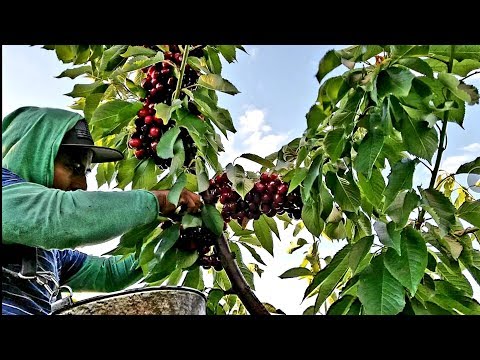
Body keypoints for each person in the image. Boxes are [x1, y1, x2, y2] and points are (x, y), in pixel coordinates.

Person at [2, 106, 203, 315]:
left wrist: (172, 239)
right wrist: (156, 201)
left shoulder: (53, 255)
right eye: (75, 167)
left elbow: (109, 273)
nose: (83, 185)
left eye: (86, 172)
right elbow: (62, 216)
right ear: (34, 153)